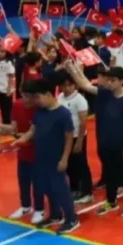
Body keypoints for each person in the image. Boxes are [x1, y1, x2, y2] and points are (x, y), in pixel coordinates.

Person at [65, 62, 123, 217]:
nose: (110, 83)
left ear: (121, 81)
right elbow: (84, 84)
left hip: (121, 144)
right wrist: (72, 68)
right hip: (104, 142)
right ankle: (111, 201)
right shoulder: (104, 93)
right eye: (108, 80)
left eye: (113, 80)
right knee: (109, 173)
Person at [12, 79, 78, 234]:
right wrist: (22, 139)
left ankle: (71, 219)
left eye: (37, 97)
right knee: (46, 187)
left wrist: (64, 159)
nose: (35, 101)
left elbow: (69, 137)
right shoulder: (40, 111)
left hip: (55, 159)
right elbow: (32, 130)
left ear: (48, 94)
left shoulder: (63, 114)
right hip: (40, 157)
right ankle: (55, 215)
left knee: (60, 189)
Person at [0, 80, 43, 221]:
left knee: (38, 182)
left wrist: (27, 137)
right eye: (24, 95)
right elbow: (13, 128)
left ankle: (40, 209)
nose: (26, 99)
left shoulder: (41, 109)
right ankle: (25, 206)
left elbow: (42, 133)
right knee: (23, 180)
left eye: (29, 96)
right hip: (22, 151)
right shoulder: (17, 105)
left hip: (39, 152)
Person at [58, 72, 93, 204]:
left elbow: (83, 123)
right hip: (65, 136)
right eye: (64, 85)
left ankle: (87, 192)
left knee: (81, 164)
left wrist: (79, 142)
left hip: (77, 136)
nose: (67, 88)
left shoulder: (80, 100)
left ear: (75, 85)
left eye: (69, 85)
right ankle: (74, 188)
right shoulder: (60, 97)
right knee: (70, 164)